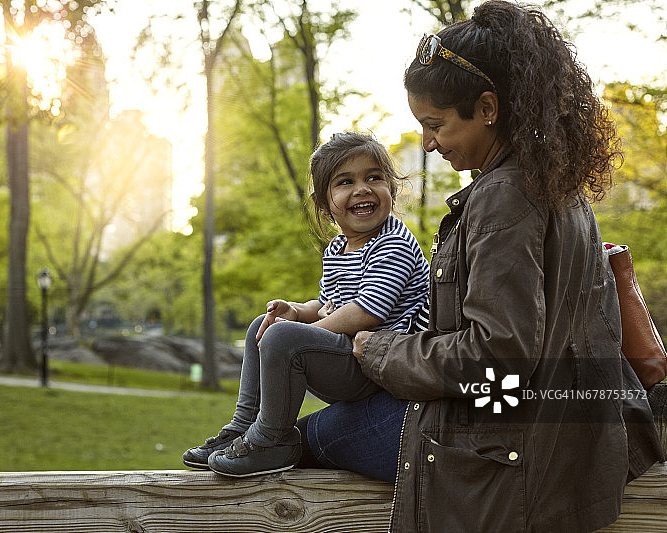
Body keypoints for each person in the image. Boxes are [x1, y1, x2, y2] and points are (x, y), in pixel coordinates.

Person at [299, 1, 664, 531]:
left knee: (305, 437)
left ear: (487, 107)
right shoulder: (552, 183)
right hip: (555, 433)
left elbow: (498, 355)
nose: (426, 142)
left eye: (435, 125)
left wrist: (383, 350)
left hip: (509, 446)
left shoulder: (503, 199)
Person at [181, 131, 430, 478]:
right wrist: (296, 312)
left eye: (374, 177)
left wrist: (298, 332)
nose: (362, 189)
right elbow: (330, 304)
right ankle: (243, 427)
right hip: (352, 355)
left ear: (391, 187)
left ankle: (272, 440)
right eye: (345, 182)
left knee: (282, 337)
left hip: (381, 362)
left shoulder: (394, 242)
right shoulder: (338, 249)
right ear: (324, 205)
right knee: (262, 326)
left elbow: (367, 310)